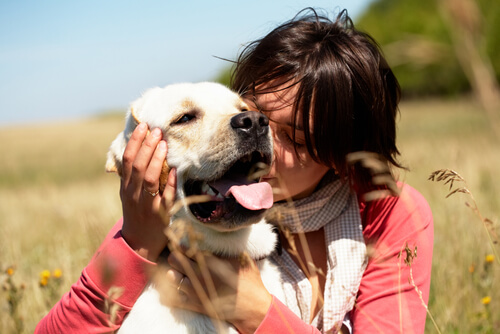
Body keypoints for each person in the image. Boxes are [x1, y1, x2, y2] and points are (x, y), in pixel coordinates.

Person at [35, 8, 433, 334]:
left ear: (342, 156)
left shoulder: (385, 212)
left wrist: (254, 310)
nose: (261, 148)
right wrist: (137, 241)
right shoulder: (178, 209)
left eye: (295, 140)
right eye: (250, 118)